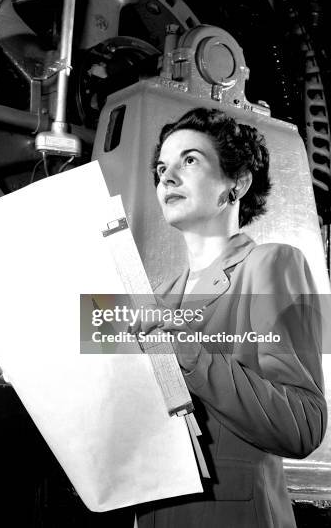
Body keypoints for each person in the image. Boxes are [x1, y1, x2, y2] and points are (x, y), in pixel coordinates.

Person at [135, 107, 327, 528]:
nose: (166, 177)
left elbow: (303, 424)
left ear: (236, 183)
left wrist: (192, 355)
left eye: (189, 160)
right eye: (161, 167)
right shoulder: (158, 300)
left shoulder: (271, 265)